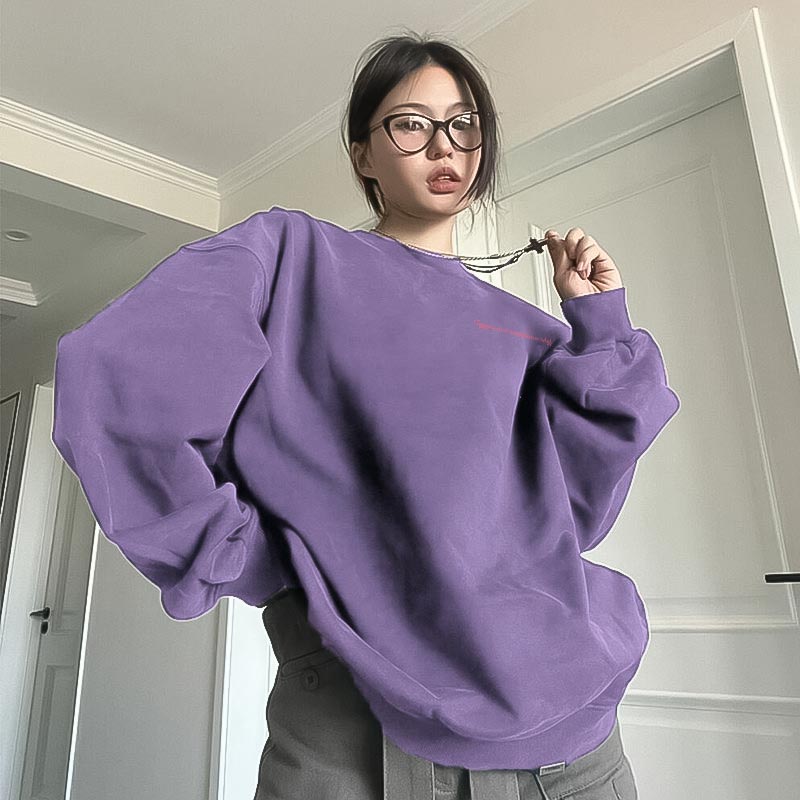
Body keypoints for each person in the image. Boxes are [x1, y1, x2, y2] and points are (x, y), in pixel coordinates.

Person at [51, 30, 680, 800]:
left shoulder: (526, 330)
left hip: (573, 748)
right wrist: (248, 559)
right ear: (363, 154)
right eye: (412, 123)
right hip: (357, 734)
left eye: (465, 123)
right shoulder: (292, 255)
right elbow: (114, 377)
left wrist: (600, 322)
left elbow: (573, 514)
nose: (444, 145)